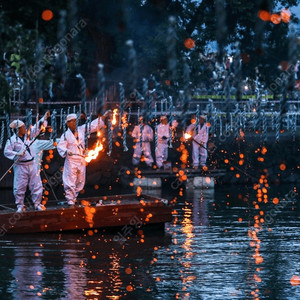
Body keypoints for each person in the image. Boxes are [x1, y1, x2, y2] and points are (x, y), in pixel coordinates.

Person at [57, 111, 109, 206]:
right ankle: (70, 200)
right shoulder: (65, 135)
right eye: (71, 121)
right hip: (71, 160)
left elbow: (92, 125)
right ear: (67, 123)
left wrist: (104, 116)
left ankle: (74, 198)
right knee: (70, 180)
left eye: (75, 121)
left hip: (81, 159)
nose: (74, 123)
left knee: (80, 180)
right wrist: (67, 150)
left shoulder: (81, 129)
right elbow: (60, 146)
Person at [4, 111, 50, 212]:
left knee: (36, 184)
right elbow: (6, 152)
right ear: (17, 129)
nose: (25, 129)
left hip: (32, 164)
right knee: (19, 186)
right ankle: (20, 205)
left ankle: (37, 203)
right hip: (21, 166)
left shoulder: (28, 136)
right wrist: (16, 154)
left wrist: (43, 119)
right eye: (23, 127)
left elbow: (36, 128)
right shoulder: (12, 140)